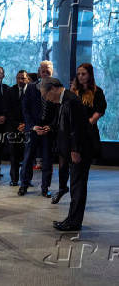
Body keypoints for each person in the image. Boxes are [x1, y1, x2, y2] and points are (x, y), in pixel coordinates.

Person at [39, 77, 90, 231]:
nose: (47, 99)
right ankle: (72, 219)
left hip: (79, 151)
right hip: (74, 151)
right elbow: (64, 123)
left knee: (77, 187)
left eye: (46, 96)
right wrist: (49, 128)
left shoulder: (71, 101)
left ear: (53, 88)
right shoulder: (65, 99)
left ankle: (74, 223)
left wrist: (75, 150)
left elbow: (77, 128)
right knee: (75, 187)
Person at [52, 63, 107, 204]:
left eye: (84, 74)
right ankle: (62, 188)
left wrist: (88, 121)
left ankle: (76, 200)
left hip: (86, 133)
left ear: (90, 75)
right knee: (63, 163)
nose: (81, 76)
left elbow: (99, 111)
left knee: (80, 170)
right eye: (79, 74)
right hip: (70, 133)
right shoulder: (73, 91)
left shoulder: (97, 92)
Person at [19, 60, 56, 197]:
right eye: (43, 70)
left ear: (52, 71)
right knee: (28, 159)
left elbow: (59, 111)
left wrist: (50, 126)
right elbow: (25, 109)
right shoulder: (30, 87)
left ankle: (45, 188)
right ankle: (23, 185)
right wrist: (33, 126)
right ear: (39, 71)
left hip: (48, 130)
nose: (45, 72)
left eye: (48, 70)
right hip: (33, 129)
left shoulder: (58, 88)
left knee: (47, 161)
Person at [7, 70, 30, 186]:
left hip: (28, 127)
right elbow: (8, 111)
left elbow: (34, 110)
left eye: (23, 78)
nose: (21, 80)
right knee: (14, 155)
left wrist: (26, 124)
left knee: (28, 155)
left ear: (28, 79)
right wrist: (17, 125)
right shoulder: (10, 91)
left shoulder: (33, 91)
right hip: (13, 127)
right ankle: (14, 179)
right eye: (19, 78)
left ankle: (26, 180)